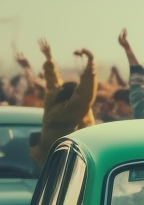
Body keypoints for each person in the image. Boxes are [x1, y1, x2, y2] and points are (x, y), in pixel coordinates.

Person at [29, 38, 97, 166]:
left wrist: (49, 57)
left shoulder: (54, 107)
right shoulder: (69, 112)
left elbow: (54, 84)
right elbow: (85, 92)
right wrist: (91, 63)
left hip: (51, 163)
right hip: (71, 165)